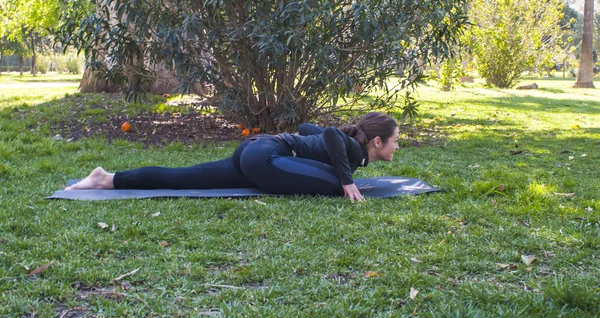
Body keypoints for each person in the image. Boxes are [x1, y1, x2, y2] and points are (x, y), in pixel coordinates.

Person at [65, 112, 400, 202]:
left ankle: (106, 179)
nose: (397, 147)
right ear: (376, 141)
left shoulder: (349, 146)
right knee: (330, 187)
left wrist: (306, 143)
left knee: (183, 178)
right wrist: (346, 179)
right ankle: (106, 179)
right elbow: (328, 133)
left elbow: (307, 126)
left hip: (253, 152)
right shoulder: (353, 150)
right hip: (266, 156)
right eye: (395, 141)